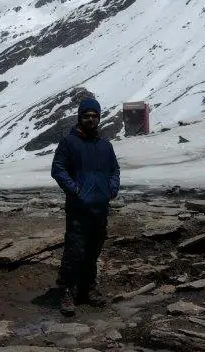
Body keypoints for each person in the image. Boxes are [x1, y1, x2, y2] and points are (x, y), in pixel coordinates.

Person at [51, 97, 120, 316]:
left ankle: (88, 288)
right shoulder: (69, 143)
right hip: (79, 207)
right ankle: (66, 291)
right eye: (86, 116)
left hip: (100, 207)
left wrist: (112, 188)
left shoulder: (105, 146)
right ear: (79, 118)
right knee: (75, 250)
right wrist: (75, 190)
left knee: (93, 250)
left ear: (99, 118)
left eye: (94, 116)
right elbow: (58, 169)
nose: (91, 119)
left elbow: (114, 170)